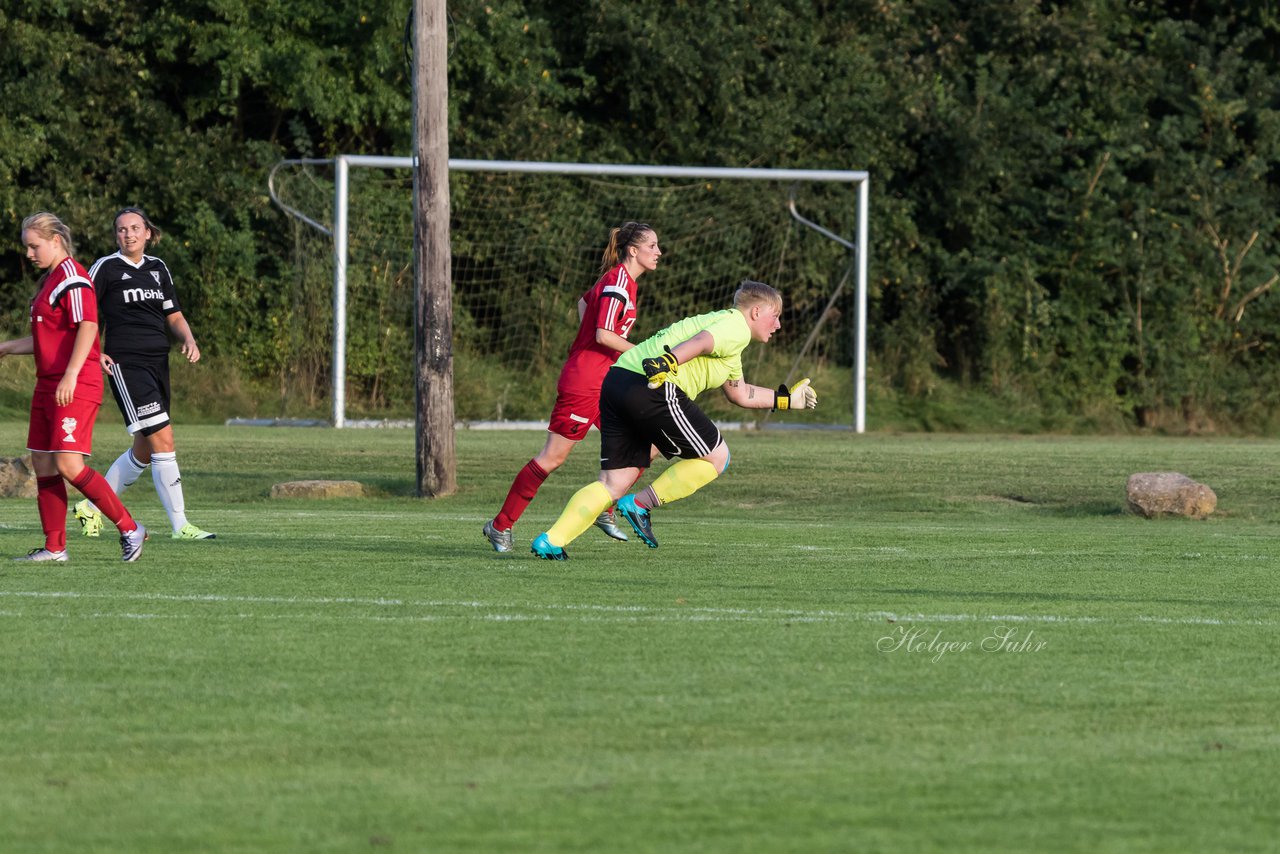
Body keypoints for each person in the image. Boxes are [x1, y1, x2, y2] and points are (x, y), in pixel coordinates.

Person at [530, 280, 817, 559]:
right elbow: (702, 342)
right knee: (718, 457)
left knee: (613, 483)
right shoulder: (735, 327)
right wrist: (666, 364)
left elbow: (740, 393)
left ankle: (551, 540)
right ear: (756, 312)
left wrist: (788, 400)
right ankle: (640, 505)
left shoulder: (728, 336)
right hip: (652, 385)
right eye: (775, 316)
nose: (778, 325)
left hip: (618, 381)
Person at [482, 222, 661, 553]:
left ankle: (604, 507)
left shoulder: (621, 282)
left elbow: (584, 305)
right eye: (652, 246)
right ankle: (500, 526)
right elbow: (603, 334)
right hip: (586, 383)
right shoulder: (618, 282)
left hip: (607, 382)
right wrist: (643, 354)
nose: (658, 252)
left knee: (649, 442)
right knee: (552, 458)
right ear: (633, 250)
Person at [0, 212, 147, 562]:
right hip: (47, 385)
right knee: (44, 464)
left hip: (75, 384)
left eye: (34, 246)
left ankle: (130, 527)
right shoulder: (48, 282)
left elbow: (88, 327)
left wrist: (70, 374)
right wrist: (6, 348)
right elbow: (46, 339)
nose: (29, 254)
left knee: (68, 465)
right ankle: (55, 548)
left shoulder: (72, 277)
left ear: (55, 241)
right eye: (26, 248)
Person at [74, 207, 215, 541]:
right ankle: (181, 525)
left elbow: (174, 314)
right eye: (122, 230)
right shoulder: (106, 267)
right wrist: (95, 352)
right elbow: (85, 314)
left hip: (158, 363)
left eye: (135, 228)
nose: (129, 234)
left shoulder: (158, 268)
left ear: (148, 233)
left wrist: (190, 337)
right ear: (116, 235)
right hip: (126, 365)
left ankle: (91, 508)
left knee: (145, 449)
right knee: (164, 438)